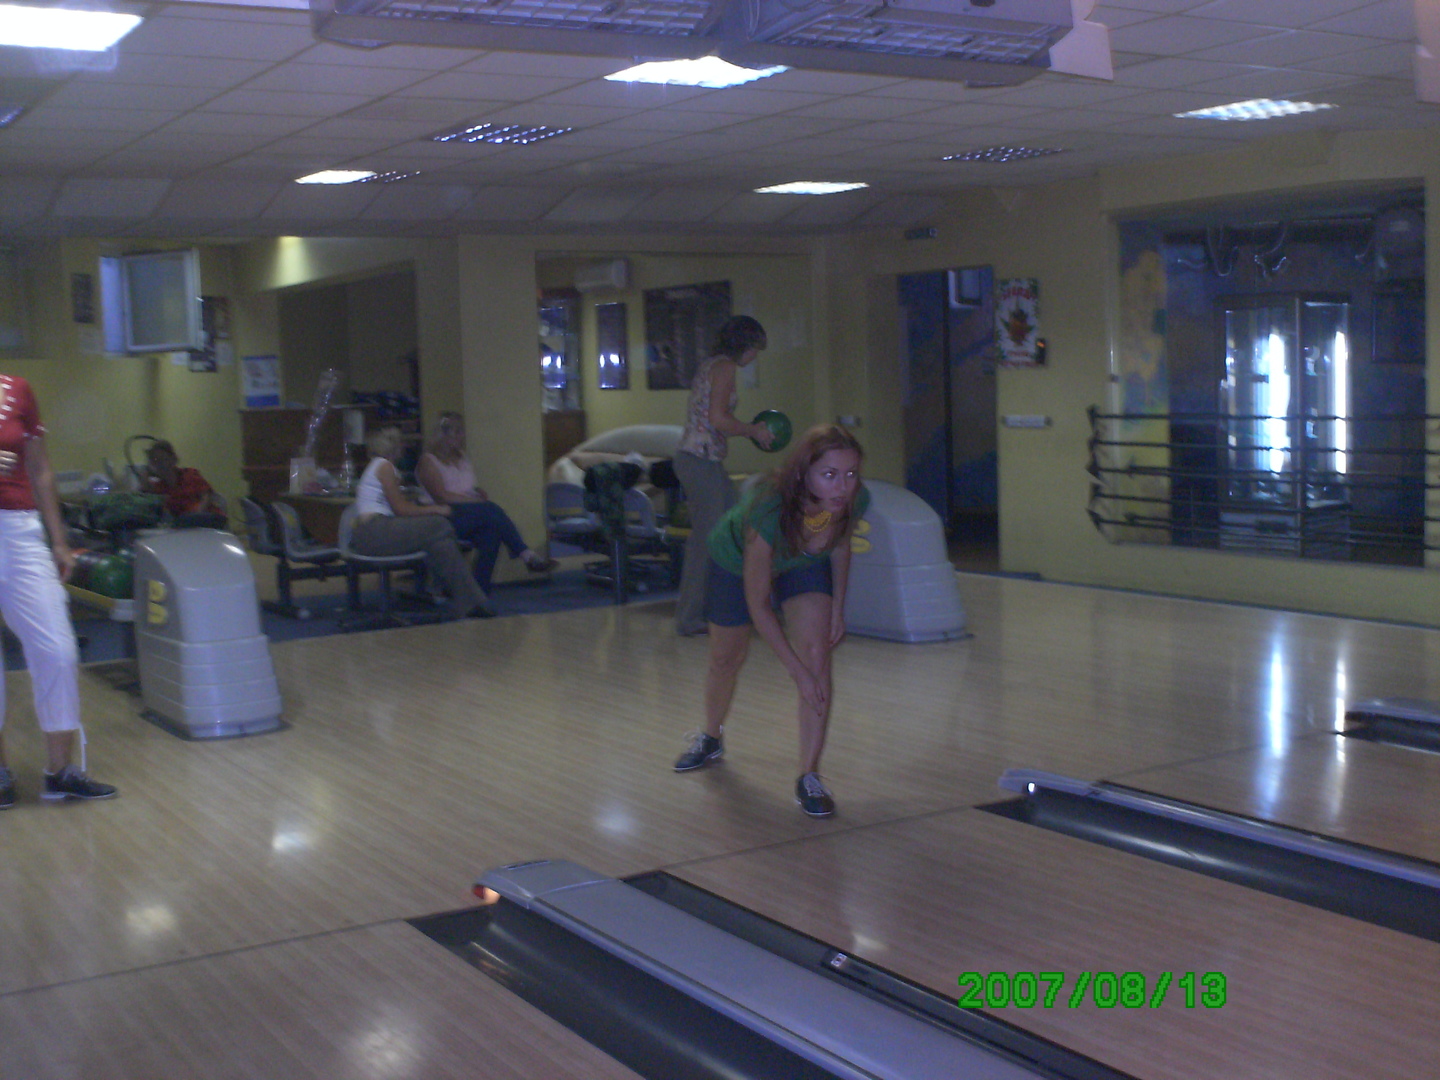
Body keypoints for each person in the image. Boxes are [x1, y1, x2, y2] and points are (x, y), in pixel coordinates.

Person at [673, 424, 868, 818]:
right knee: (726, 658)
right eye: (830, 474)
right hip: (733, 563)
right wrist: (796, 672)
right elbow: (758, 604)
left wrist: (838, 608)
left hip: (802, 562)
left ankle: (809, 775)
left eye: (850, 474)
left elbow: (840, 547)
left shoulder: (853, 498)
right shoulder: (769, 508)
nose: (842, 486)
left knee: (817, 658)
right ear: (804, 473)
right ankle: (711, 736)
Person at [0, 374, 117, 808]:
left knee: (59, 649)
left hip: (20, 530)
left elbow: (40, 468)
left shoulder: (17, 389)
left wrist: (60, 540)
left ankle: (60, 771)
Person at [672, 315, 774, 636]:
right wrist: (753, 431)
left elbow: (714, 420)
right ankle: (690, 617)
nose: (754, 356)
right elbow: (718, 419)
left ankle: (731, 609)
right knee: (707, 541)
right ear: (742, 345)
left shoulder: (711, 364)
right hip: (699, 462)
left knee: (734, 531)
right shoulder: (725, 367)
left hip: (705, 461)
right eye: (754, 348)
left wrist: (748, 429)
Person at [351, 426, 494, 620]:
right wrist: (435, 509)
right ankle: (445, 588)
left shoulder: (377, 465)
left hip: (373, 533)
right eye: (401, 444)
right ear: (394, 447)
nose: (404, 447)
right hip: (374, 531)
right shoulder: (385, 466)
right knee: (439, 524)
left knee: (441, 544)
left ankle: (472, 603)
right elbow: (401, 509)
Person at [415, 412, 557, 591]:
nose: (462, 436)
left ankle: (479, 590)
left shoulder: (462, 457)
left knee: (492, 534)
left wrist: (477, 492)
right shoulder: (429, 461)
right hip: (442, 516)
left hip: (467, 513)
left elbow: (465, 487)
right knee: (491, 509)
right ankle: (526, 555)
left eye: (461, 431)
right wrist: (473, 501)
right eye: (456, 432)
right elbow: (441, 497)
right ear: (442, 435)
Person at [144, 440, 228, 526]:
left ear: (173, 459)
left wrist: (198, 513)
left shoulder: (189, 474)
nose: (160, 464)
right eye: (155, 461)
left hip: (207, 518)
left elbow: (206, 496)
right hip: (185, 525)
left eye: (163, 459)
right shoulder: (159, 487)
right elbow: (147, 501)